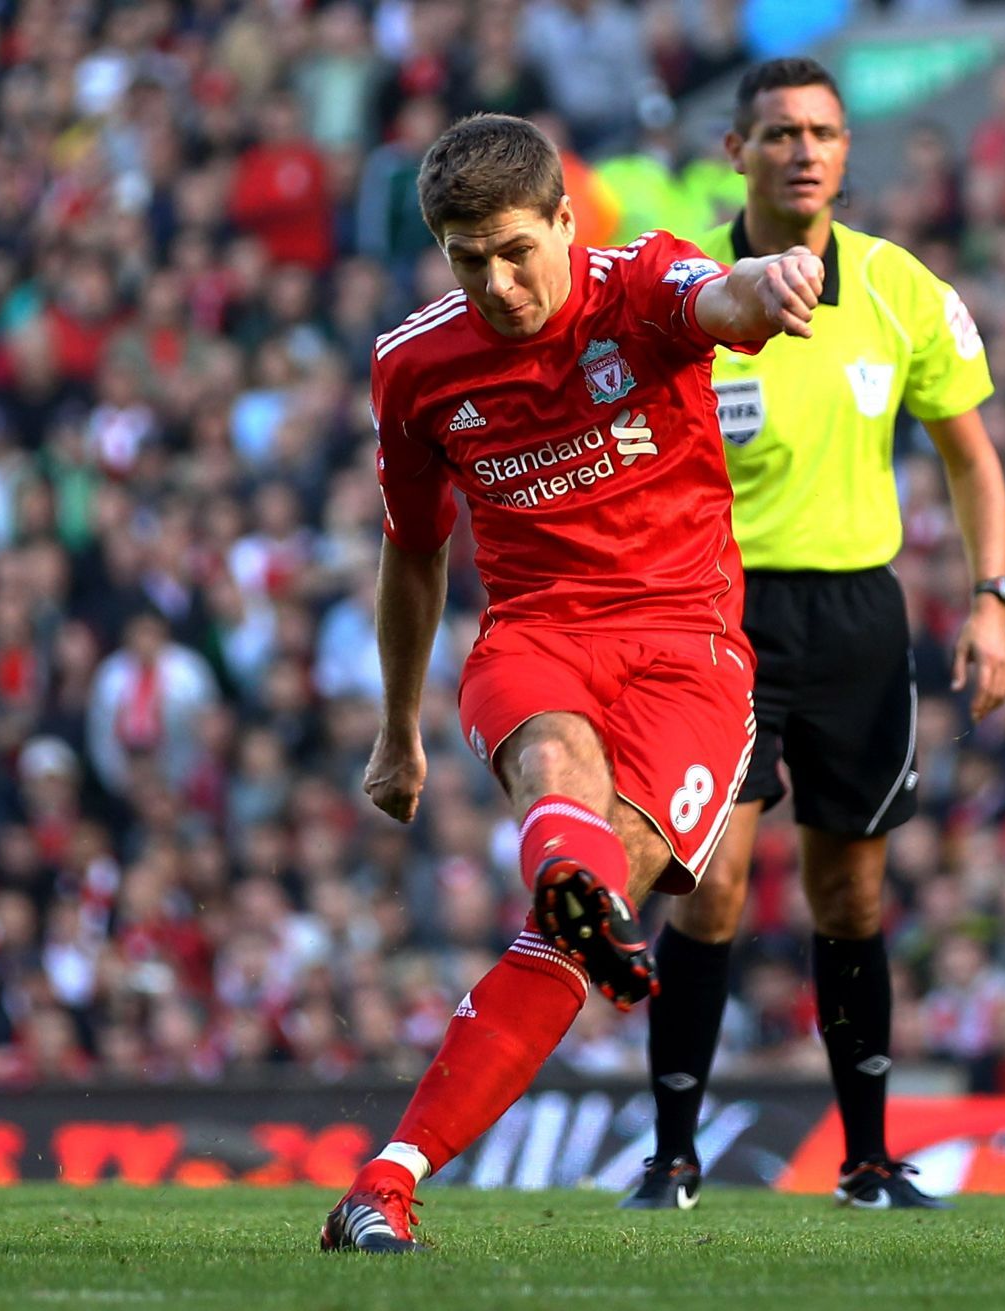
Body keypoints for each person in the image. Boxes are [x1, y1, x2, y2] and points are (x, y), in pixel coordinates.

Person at [319, 112, 825, 1253]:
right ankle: (572, 886)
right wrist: (398, 730)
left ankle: (383, 1180)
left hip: (688, 653)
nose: (497, 284)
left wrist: (776, 278)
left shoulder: (637, 285)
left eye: (515, 250)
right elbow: (413, 549)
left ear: (563, 220)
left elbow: (724, 301)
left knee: (586, 898)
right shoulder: (414, 366)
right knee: (555, 765)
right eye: (466, 259)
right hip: (537, 634)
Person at [624, 58, 1005, 1212]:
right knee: (716, 889)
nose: (805, 150)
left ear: (847, 154)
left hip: (855, 617)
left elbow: (971, 459)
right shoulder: (683, 284)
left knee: (850, 899)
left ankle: (868, 1160)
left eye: (825, 133)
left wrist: (992, 599)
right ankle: (674, 1156)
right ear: (735, 152)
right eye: (781, 132)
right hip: (719, 617)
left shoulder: (902, 290)